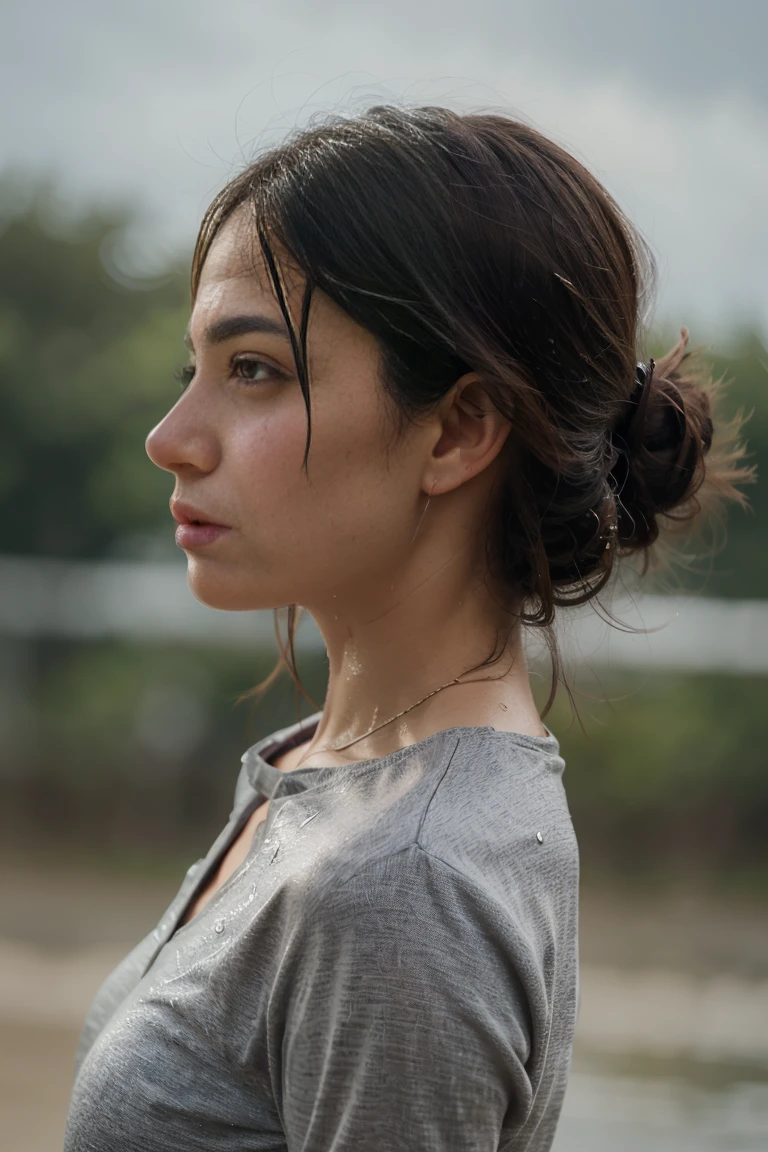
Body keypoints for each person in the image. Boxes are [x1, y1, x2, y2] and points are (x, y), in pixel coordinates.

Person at [63, 104, 750, 1151]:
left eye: (255, 370)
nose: (171, 439)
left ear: (461, 429)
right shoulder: (336, 771)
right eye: (189, 372)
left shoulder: (405, 882)